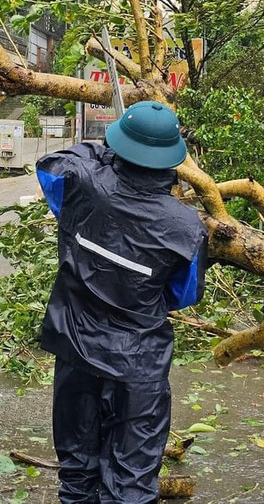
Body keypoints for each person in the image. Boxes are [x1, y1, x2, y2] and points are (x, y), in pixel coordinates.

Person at [35, 101, 209, 503]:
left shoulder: (80, 183)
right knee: (131, 480)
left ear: (117, 146)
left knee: (77, 470)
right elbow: (183, 295)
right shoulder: (187, 227)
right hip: (139, 365)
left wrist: (103, 153)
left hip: (76, 349)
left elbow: (51, 164)